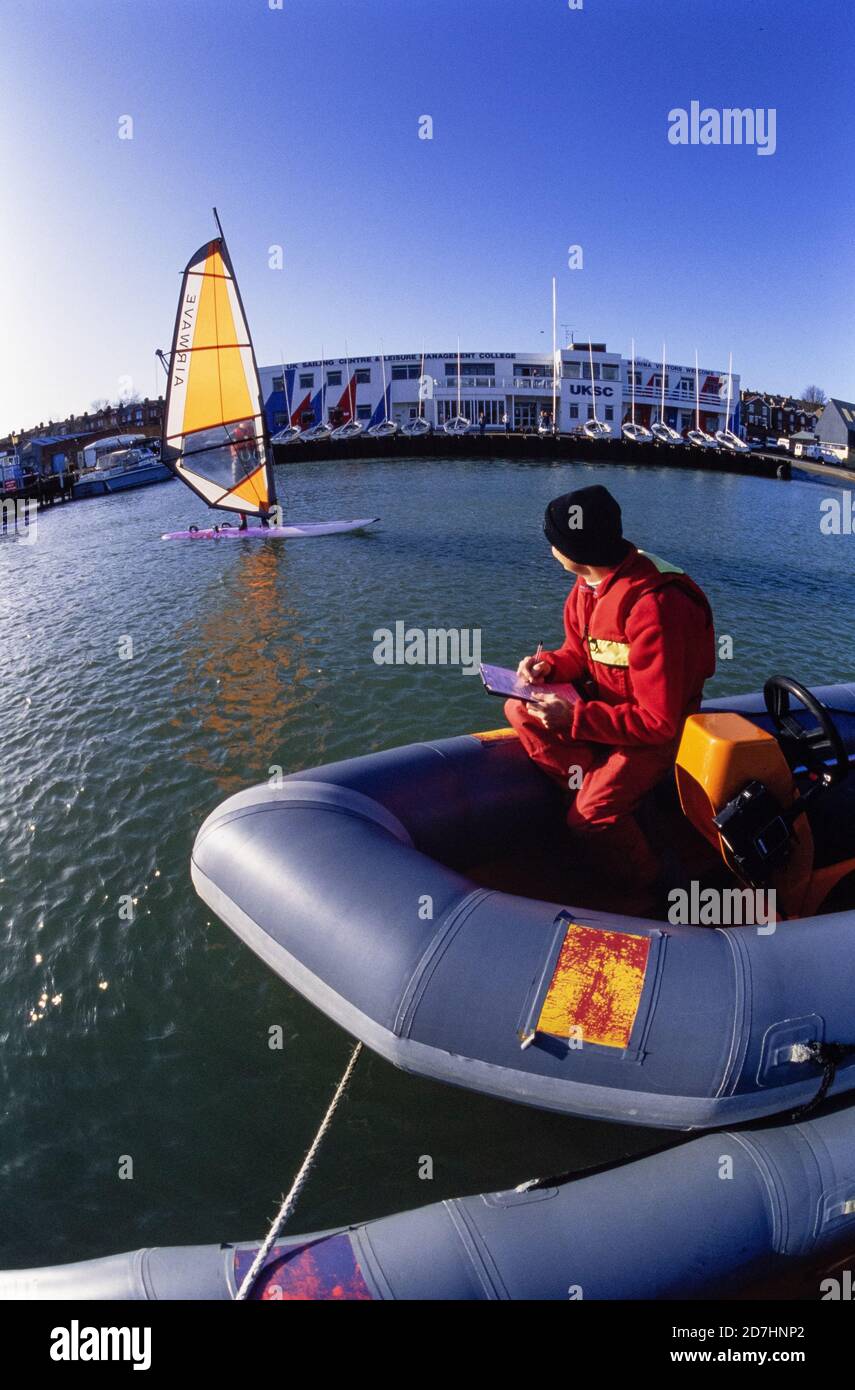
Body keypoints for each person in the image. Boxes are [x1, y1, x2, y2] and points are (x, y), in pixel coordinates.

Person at [505, 484, 715, 887]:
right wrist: (546, 667)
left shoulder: (655, 606)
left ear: (575, 551)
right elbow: (580, 653)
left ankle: (654, 883)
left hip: (656, 735)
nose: (549, 548)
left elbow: (659, 724)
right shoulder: (591, 585)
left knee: (591, 817)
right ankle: (587, 785)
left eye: (553, 540)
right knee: (518, 706)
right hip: (613, 711)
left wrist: (575, 719)